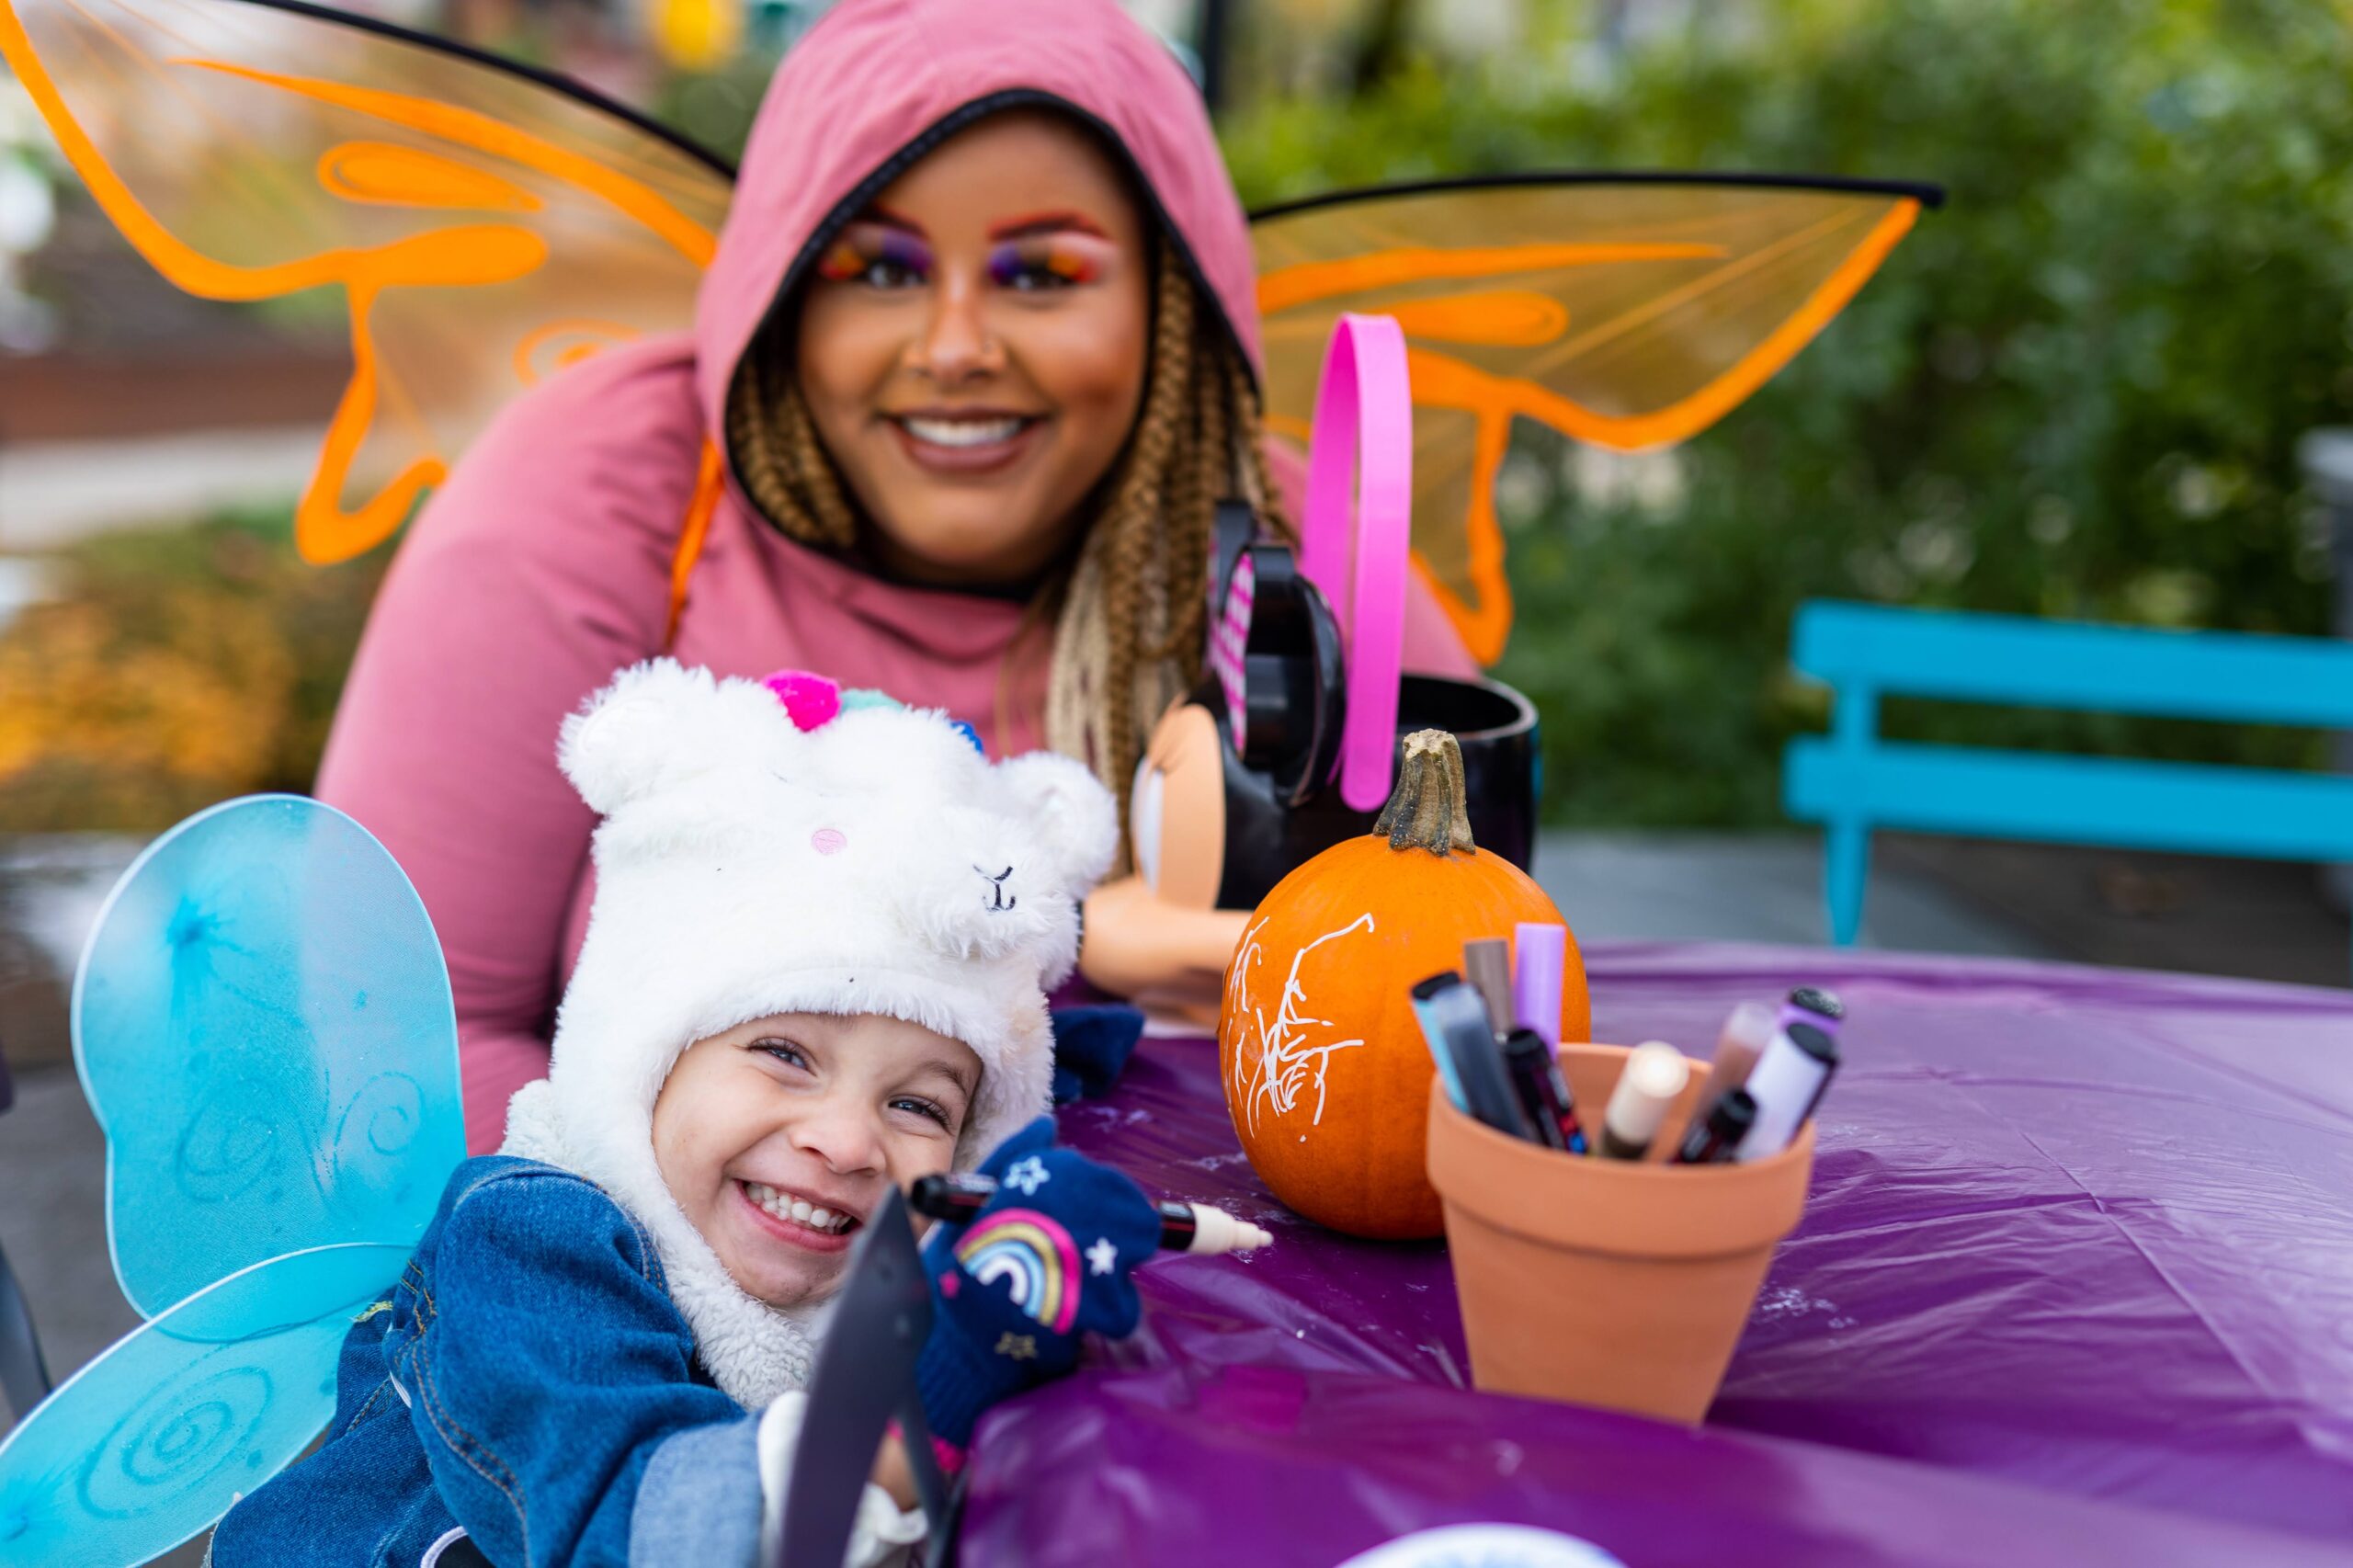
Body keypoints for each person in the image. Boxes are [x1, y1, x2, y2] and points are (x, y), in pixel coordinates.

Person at [313, 0, 1476, 1156]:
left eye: (1041, 275)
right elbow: (386, 1036)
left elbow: (1456, 1012)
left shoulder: (1295, 550)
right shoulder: (613, 485)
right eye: (876, 269)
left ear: (1168, 306)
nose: (955, 345)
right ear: (781, 291)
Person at [211, 661, 1166, 1566]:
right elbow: (626, 1519)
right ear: (645, 1055)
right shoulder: (531, 1241)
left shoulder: (863, 1230)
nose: (843, 1137)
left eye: (916, 1102)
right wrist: (936, 1392)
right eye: (784, 1054)